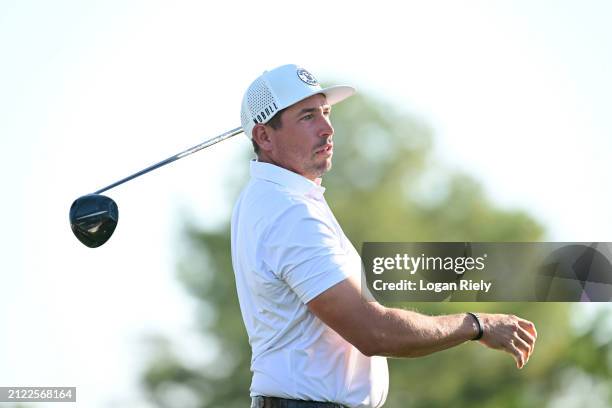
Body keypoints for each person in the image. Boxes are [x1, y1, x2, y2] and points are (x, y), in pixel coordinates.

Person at [231, 64, 537, 408]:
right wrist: (476, 324)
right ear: (264, 137)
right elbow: (373, 331)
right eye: (307, 117)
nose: (327, 129)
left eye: (326, 112)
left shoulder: (274, 200)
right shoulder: (286, 210)